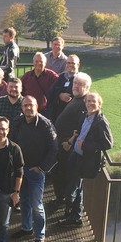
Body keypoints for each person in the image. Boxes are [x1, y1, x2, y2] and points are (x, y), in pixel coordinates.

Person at [9, 96, 58, 242]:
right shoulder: (17, 122)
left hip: (36, 171)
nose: (28, 108)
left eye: (31, 105)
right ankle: (26, 228)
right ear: (22, 108)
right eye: (25, 106)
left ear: (37, 106)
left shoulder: (45, 124)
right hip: (21, 170)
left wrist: (42, 168)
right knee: (24, 201)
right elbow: (12, 143)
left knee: (37, 205)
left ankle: (40, 237)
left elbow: (53, 149)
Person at [60, 92, 113, 227]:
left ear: (99, 104)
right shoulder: (85, 115)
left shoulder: (101, 121)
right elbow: (80, 131)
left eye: (93, 101)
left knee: (74, 188)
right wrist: (74, 139)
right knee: (77, 188)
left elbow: (108, 144)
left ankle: (73, 215)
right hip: (76, 155)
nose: (90, 104)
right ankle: (74, 215)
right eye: (88, 101)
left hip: (85, 160)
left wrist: (85, 145)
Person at [52, 72, 91, 211]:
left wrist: (68, 142)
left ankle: (73, 214)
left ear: (87, 87)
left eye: (80, 84)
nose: (76, 86)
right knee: (62, 174)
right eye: (75, 83)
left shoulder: (85, 103)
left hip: (70, 148)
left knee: (72, 181)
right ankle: (63, 202)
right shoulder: (76, 99)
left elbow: (81, 128)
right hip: (63, 146)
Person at [47, 54, 80, 123]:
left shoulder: (80, 79)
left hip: (72, 116)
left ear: (78, 65)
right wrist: (59, 95)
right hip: (57, 115)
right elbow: (50, 92)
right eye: (68, 63)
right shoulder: (61, 77)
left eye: (73, 63)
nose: (70, 65)